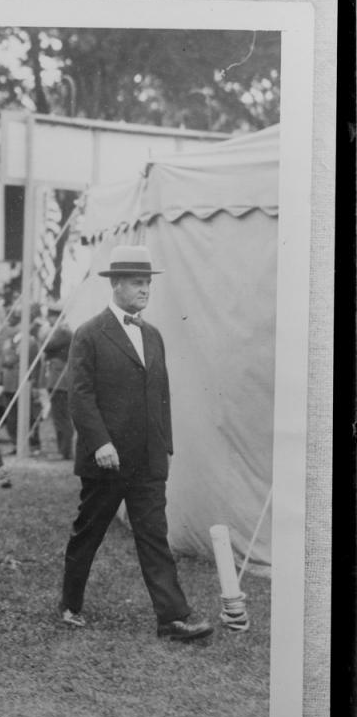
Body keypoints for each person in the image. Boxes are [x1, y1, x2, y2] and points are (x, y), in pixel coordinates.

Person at [59, 244, 211, 642]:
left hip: (147, 461)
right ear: (117, 285)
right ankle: (70, 603)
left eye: (148, 283)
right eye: (138, 283)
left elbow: (161, 395)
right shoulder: (89, 334)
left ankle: (172, 618)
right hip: (106, 460)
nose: (146, 290)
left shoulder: (154, 336)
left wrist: (166, 447)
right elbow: (80, 396)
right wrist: (100, 444)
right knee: (88, 532)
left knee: (154, 536)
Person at [0, 306, 41, 454]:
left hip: (23, 384)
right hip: (9, 384)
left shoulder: (31, 342)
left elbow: (34, 365)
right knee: (12, 417)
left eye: (15, 323)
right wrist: (0, 381)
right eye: (10, 323)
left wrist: (34, 384)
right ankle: (16, 444)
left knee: (29, 416)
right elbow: (4, 361)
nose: (10, 326)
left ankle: (33, 445)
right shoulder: (8, 341)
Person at [42, 303, 74, 460]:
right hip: (56, 379)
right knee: (58, 416)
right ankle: (63, 450)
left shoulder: (62, 331)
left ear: (57, 317)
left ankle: (65, 451)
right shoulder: (60, 331)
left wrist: (43, 332)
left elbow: (46, 345)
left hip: (60, 380)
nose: (48, 319)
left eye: (51, 316)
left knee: (62, 417)